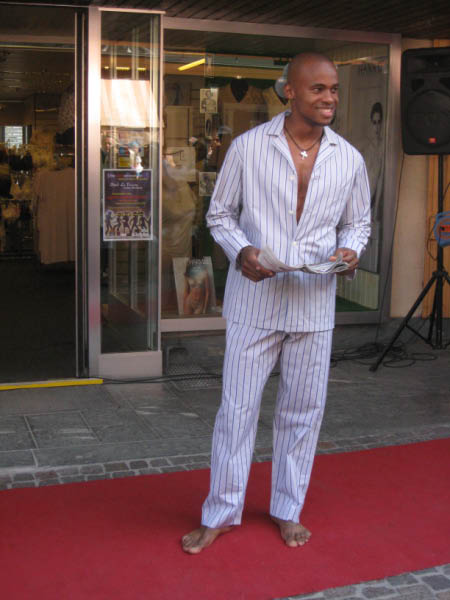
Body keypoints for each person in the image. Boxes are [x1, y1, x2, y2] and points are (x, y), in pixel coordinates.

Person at [181, 52, 371, 554]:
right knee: (237, 411)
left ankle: (288, 509)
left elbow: (358, 223)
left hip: (314, 304)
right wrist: (241, 251)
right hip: (255, 302)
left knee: (303, 412)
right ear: (290, 91)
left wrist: (350, 251)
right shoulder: (248, 148)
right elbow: (220, 215)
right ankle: (221, 513)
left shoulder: (349, 158)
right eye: (318, 89)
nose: (329, 98)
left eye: (334, 89)